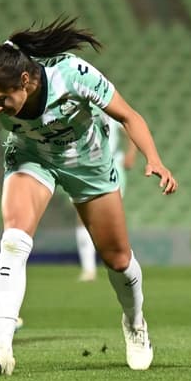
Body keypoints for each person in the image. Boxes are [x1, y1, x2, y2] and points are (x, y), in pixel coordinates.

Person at [0, 16, 177, 376]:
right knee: (14, 241)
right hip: (32, 158)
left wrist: (155, 159)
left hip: (89, 162)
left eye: (2, 99)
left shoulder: (72, 74)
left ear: (25, 80)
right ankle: (1, 348)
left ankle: (135, 323)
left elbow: (129, 116)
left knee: (117, 260)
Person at [76, 112, 137, 282]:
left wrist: (131, 153)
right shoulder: (78, 108)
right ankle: (88, 270)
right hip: (85, 167)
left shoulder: (108, 109)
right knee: (82, 217)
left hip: (111, 166)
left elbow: (130, 129)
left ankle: (122, 264)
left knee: (110, 217)